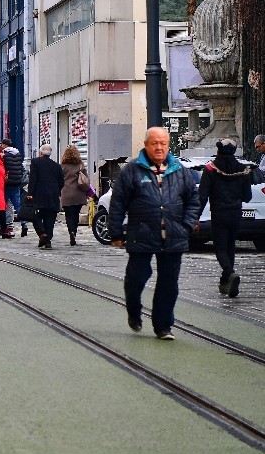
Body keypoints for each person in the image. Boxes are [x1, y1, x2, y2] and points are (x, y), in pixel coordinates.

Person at [109, 127, 200, 340]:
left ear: (168, 145)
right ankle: (134, 309)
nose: (159, 147)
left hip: (174, 235)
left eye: (163, 143)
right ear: (146, 144)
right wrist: (115, 232)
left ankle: (163, 326)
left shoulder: (180, 170)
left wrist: (186, 225)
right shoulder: (132, 170)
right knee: (136, 278)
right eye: (154, 143)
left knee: (169, 283)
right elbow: (118, 203)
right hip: (141, 233)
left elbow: (193, 201)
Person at [198, 139, 253, 298]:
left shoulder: (210, 169)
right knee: (230, 247)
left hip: (219, 214)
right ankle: (225, 282)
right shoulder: (242, 170)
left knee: (220, 248)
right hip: (236, 214)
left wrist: (195, 217)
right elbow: (247, 197)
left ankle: (230, 273)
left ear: (218, 151)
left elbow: (202, 196)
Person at [27, 144, 63, 248]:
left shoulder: (35, 162)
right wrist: (57, 191)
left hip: (39, 195)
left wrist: (30, 193)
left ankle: (42, 234)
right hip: (53, 196)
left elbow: (33, 179)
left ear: (41, 152)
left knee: (36, 216)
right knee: (50, 218)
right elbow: (61, 181)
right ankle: (47, 240)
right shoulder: (56, 166)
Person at [59, 145, 90, 246]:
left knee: (68, 215)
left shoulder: (62, 165)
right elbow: (86, 178)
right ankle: (74, 232)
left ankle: (71, 232)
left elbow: (59, 179)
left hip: (66, 193)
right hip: (78, 193)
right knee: (76, 214)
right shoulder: (80, 165)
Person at [2, 140, 26, 237]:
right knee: (18, 205)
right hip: (16, 182)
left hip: (7, 184)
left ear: (5, 145)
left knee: (4, 205)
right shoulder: (18, 154)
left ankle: (6, 226)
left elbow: (4, 168)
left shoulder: (5, 155)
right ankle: (23, 223)